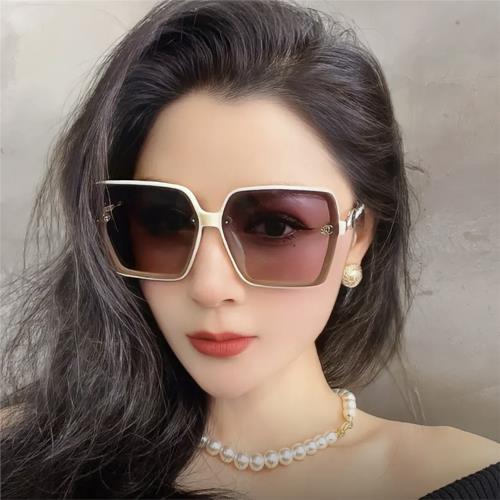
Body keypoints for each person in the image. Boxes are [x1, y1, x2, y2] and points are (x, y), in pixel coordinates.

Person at [1, 0, 499, 498]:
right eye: (165, 222)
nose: (209, 286)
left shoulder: (460, 479)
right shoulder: (27, 453)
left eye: (275, 227)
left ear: (358, 236)